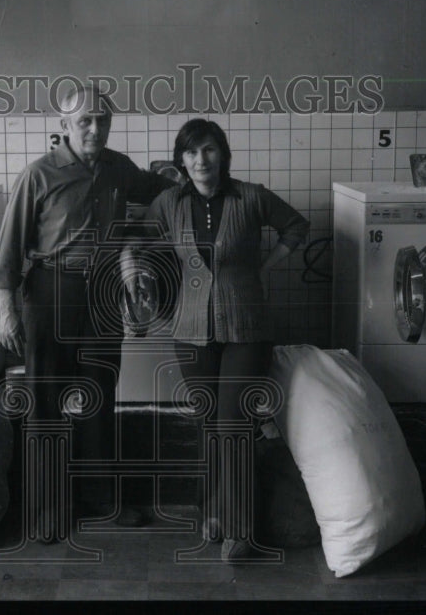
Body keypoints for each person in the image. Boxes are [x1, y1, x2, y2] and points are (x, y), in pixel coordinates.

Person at [0, 83, 175, 543]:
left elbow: (162, 189)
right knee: (46, 402)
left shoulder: (119, 168)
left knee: (99, 395)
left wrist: (194, 179)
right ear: (64, 126)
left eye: (103, 120)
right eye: (85, 120)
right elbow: (7, 248)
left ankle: (102, 499)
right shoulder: (38, 174)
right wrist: (6, 312)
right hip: (51, 290)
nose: (96, 128)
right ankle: (48, 508)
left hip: (103, 294)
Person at [140, 117, 310, 563]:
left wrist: (264, 268)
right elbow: (139, 240)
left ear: (224, 155)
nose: (201, 161)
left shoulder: (251, 196)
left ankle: (241, 530)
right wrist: (140, 274)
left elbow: (296, 227)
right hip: (190, 329)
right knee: (209, 423)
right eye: (192, 152)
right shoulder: (167, 203)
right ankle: (212, 511)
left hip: (246, 328)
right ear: (181, 159)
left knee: (235, 424)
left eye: (210, 150)